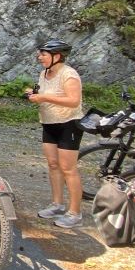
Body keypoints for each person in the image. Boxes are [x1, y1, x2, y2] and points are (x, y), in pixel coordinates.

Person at [26, 39, 85, 228]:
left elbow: (73, 101)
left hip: (69, 124)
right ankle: (57, 204)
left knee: (69, 169)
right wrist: (34, 94)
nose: (39, 57)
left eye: (43, 54)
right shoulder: (44, 73)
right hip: (49, 123)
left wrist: (43, 97)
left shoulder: (69, 75)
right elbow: (44, 93)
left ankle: (75, 212)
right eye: (40, 54)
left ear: (56, 56)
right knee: (53, 165)